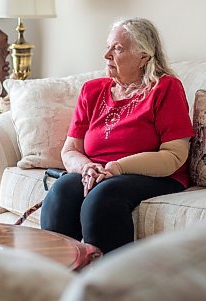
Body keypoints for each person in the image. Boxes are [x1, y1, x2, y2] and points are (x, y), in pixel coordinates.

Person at [40, 18, 195, 254]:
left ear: (144, 57)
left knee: (102, 198)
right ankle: (57, 279)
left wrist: (117, 168)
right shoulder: (93, 90)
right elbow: (70, 150)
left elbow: (174, 155)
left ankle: (110, 284)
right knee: (62, 190)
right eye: (108, 46)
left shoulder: (166, 88)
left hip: (152, 175)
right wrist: (87, 168)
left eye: (118, 48)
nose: (106, 55)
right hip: (100, 170)